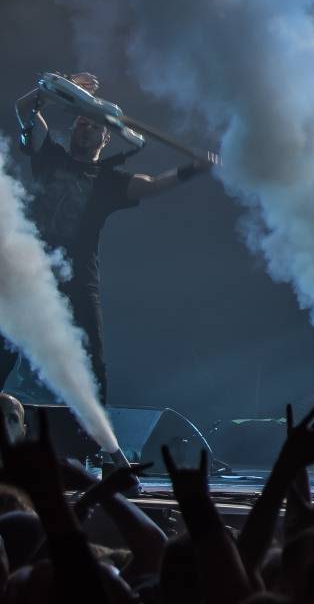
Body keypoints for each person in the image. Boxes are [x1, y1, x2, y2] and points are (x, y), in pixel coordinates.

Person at [4, 72, 214, 402]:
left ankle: (96, 445)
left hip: (77, 280)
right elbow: (24, 107)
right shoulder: (50, 156)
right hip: (27, 272)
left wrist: (192, 170)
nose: (86, 129)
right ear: (72, 129)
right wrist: (67, 88)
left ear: (106, 138)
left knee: (91, 358)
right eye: (82, 124)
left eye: (94, 126)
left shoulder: (108, 181)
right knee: (5, 343)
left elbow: (153, 185)